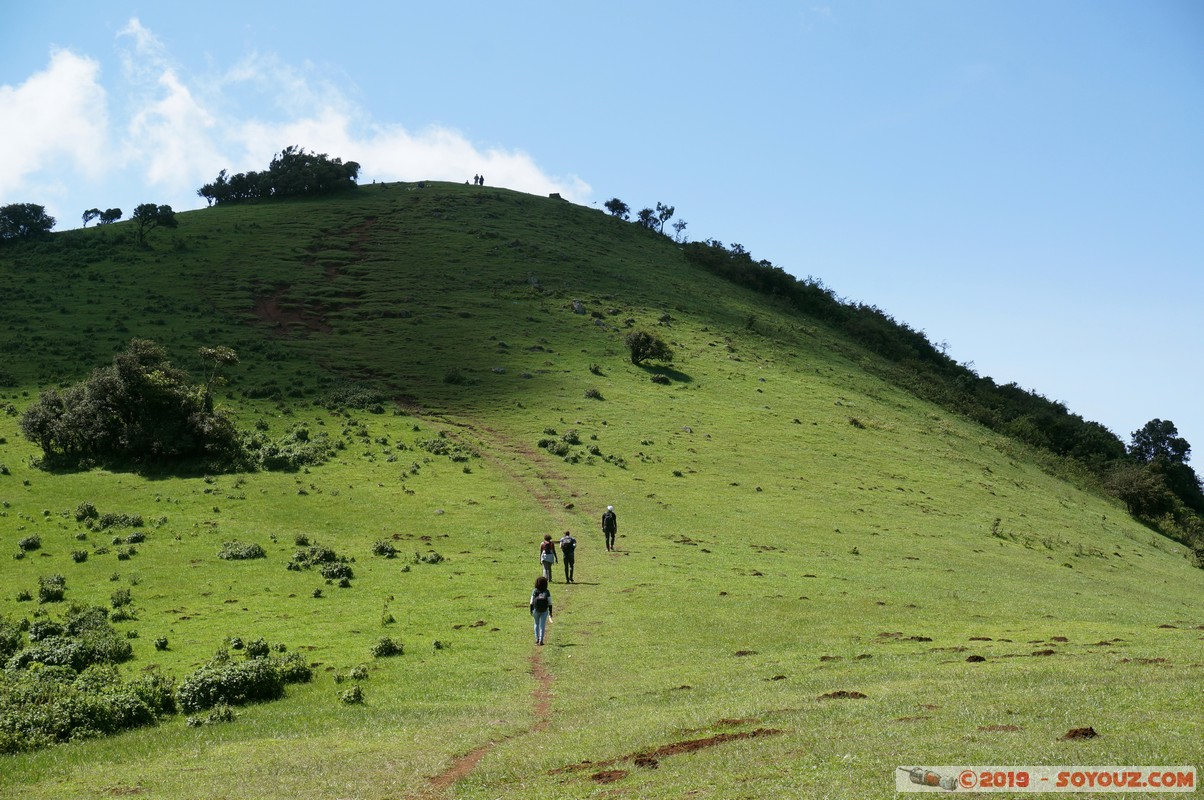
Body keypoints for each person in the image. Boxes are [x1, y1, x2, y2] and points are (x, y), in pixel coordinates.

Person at [530, 575, 552, 645]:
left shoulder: (535, 591)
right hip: (544, 610)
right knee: (542, 625)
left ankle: (537, 639)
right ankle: (541, 640)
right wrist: (550, 611)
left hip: (536, 610)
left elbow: (531, 602)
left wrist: (531, 610)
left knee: (536, 623)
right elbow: (550, 602)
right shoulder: (547, 591)